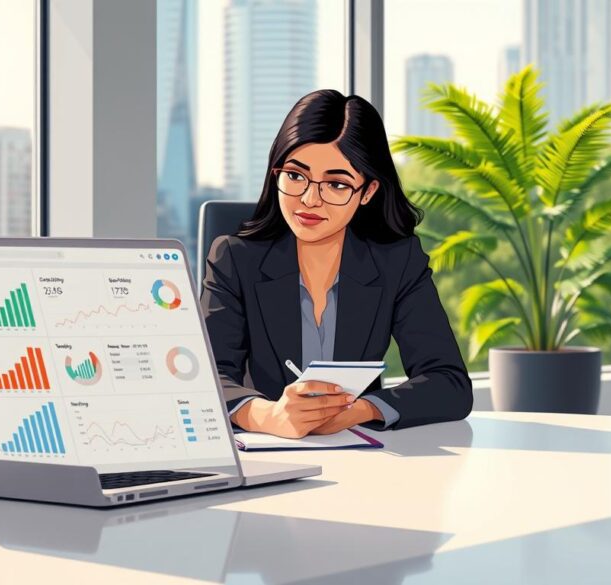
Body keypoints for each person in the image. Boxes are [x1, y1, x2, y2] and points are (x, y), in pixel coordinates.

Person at [200, 89, 472, 439]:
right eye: (296, 176)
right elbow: (207, 377)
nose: (309, 199)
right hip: (266, 457)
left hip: (362, 457)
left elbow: (449, 382)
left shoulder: (397, 261)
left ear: (368, 191)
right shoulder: (234, 258)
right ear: (275, 174)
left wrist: (359, 410)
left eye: (336, 184)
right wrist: (267, 415)